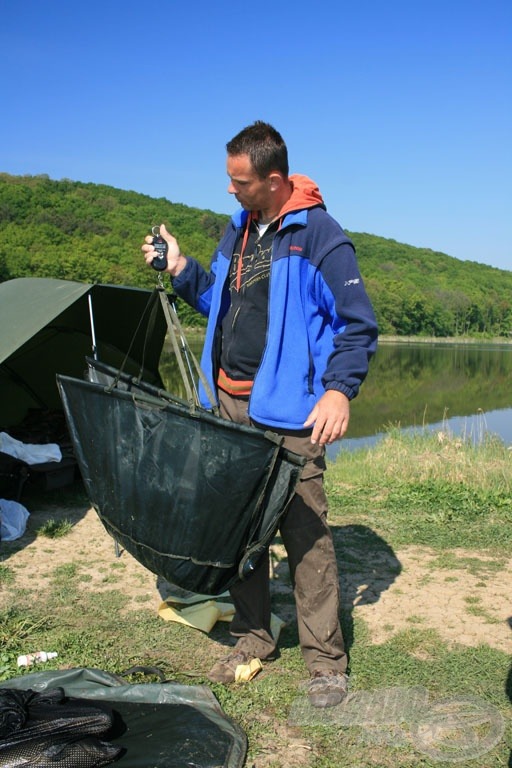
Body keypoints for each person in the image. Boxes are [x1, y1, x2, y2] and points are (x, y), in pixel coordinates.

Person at [142, 121, 378, 708]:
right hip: (227, 403)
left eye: (238, 181)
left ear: (272, 181)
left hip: (291, 416)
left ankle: (325, 663)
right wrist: (181, 268)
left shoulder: (322, 237)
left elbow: (357, 324)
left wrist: (339, 390)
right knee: (241, 533)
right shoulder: (240, 229)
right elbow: (218, 302)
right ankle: (253, 638)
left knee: (306, 538)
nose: (229, 190)